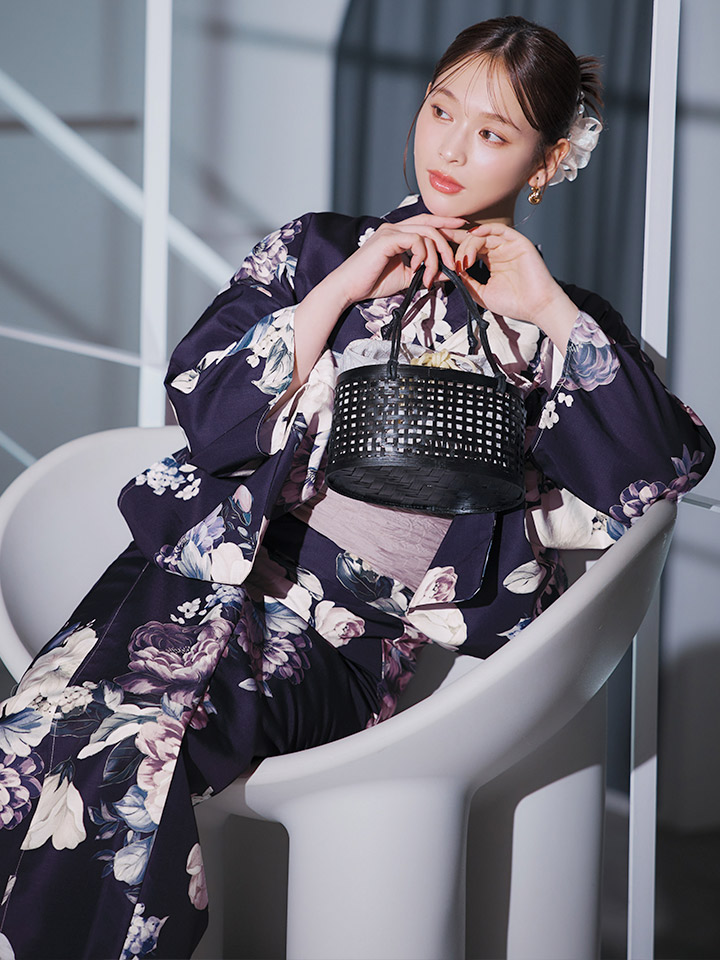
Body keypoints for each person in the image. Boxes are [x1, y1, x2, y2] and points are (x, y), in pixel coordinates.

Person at [0, 15, 714, 960]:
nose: (450, 150)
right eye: (441, 111)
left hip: (340, 637)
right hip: (186, 576)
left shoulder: (552, 320)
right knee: (27, 743)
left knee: (138, 754)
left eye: (492, 133)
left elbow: (663, 471)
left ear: (545, 162)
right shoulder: (317, 249)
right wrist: (339, 290)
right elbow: (202, 405)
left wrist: (546, 308)